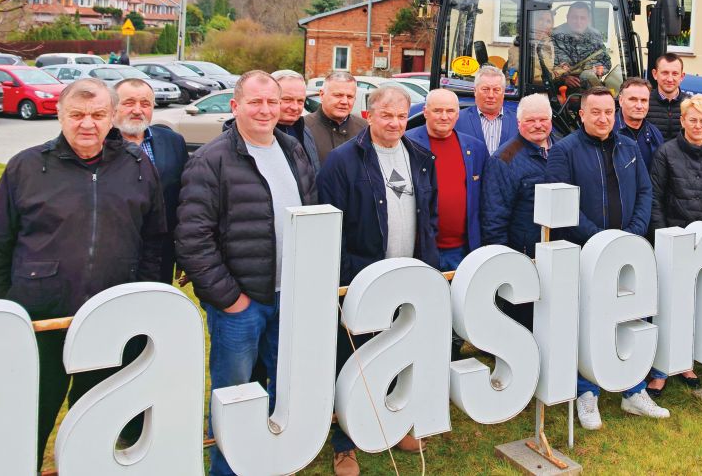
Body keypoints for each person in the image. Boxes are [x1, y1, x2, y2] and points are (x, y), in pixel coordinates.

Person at [0, 77, 166, 470]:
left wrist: (143, 302)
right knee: (30, 417)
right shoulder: (27, 167)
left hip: (108, 322)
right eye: (77, 114)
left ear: (112, 117)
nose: (87, 124)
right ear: (60, 115)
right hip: (39, 321)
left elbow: (154, 241)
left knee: (97, 423)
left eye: (97, 114)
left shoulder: (137, 166)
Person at [175, 71, 317, 476]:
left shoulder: (293, 149)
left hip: (289, 298)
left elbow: (312, 214)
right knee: (234, 394)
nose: (265, 110)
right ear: (235, 106)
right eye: (255, 102)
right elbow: (192, 239)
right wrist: (231, 300)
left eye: (272, 102)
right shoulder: (211, 160)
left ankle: (271, 460)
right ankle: (228, 469)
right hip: (242, 304)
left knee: (283, 388)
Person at [317, 84, 438, 473]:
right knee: (353, 359)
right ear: (368, 116)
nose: (395, 123)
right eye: (386, 115)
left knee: (399, 355)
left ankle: (395, 424)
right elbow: (330, 226)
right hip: (361, 280)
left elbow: (429, 216)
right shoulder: (342, 161)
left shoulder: (420, 157)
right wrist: (342, 282)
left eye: (402, 116)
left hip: (408, 278)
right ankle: (345, 442)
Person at [545, 87, 668, 427]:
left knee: (630, 317)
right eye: (595, 112)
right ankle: (587, 393)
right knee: (586, 323)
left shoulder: (628, 147)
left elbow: (644, 191)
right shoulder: (564, 151)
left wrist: (632, 234)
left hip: (626, 251)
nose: (603, 118)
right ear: (581, 114)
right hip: (586, 252)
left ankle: (633, 391)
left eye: (608, 112)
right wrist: (600, 240)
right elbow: (563, 208)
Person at [645, 94, 702, 395]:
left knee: (695, 304)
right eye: (692, 119)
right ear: (682, 121)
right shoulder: (665, 153)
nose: (698, 125)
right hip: (673, 238)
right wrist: (662, 236)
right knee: (668, 306)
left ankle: (685, 363)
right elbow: (655, 198)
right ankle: (660, 370)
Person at [480, 93, 555, 330]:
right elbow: (494, 217)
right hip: (524, 256)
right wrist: (505, 263)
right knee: (523, 320)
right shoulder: (504, 159)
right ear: (519, 123)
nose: (538, 125)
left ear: (551, 120)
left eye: (543, 119)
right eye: (530, 120)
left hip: (559, 252)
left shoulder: (563, 149)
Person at [114, 77, 189, 282]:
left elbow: (184, 199)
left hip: (160, 255)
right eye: (129, 103)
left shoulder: (173, 141)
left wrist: (183, 252)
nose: (137, 110)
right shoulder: (99, 144)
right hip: (112, 256)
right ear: (113, 107)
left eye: (145, 104)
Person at [406, 88, 487, 271]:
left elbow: (485, 198)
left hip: (463, 251)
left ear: (457, 114)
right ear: (425, 112)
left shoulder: (475, 148)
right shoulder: (407, 144)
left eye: (450, 111)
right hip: (420, 250)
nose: (444, 117)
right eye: (437, 110)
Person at [304, 71, 367, 163]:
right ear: (322, 95)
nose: (344, 101)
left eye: (349, 97)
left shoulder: (365, 129)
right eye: (338, 95)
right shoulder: (303, 127)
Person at [456, 65, 518, 155]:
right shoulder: (458, 119)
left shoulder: (518, 122)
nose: (491, 95)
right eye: (485, 89)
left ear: (503, 92)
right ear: (475, 91)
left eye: (496, 90)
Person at [550, 1, 613, 89]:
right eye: (574, 17)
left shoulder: (595, 36)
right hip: (559, 90)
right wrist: (562, 79)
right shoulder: (554, 36)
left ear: (588, 20)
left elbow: (606, 62)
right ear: (567, 17)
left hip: (590, 89)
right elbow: (544, 68)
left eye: (582, 18)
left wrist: (600, 70)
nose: (578, 22)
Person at [270, 69, 320, 170]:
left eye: (300, 101)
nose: (295, 107)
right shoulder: (258, 135)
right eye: (287, 99)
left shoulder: (305, 131)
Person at [615, 77, 664, 171]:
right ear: (621, 100)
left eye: (644, 100)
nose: (639, 106)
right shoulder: (607, 131)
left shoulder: (655, 134)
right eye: (633, 99)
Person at [645, 53, 690, 141]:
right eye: (665, 73)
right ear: (655, 74)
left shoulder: (692, 104)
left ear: (682, 76)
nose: (670, 79)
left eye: (675, 74)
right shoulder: (644, 102)